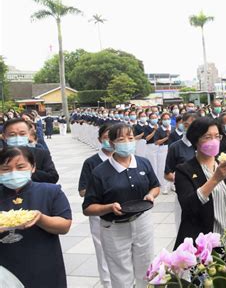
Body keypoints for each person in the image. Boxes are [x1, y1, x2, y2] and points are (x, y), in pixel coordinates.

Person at [83, 123, 160, 288]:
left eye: (130, 138)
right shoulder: (100, 172)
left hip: (142, 222)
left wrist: (151, 195)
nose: (127, 142)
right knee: (120, 275)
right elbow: (88, 208)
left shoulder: (143, 163)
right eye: (120, 139)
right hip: (114, 228)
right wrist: (108, 207)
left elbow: (155, 185)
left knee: (146, 269)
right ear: (111, 144)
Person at [174, 117, 226, 248]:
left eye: (217, 136)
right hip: (205, 243)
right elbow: (189, 206)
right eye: (207, 137)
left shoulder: (225, 163)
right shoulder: (184, 170)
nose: (214, 141)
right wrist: (215, 179)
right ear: (195, 140)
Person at [0, 146, 72, 287]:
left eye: (20, 167)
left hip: (43, 263)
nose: (14, 173)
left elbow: (64, 226)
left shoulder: (51, 191)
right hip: (5, 266)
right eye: (6, 169)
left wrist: (40, 219)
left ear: (33, 167)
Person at [78, 123, 113, 288]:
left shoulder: (130, 160)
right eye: (107, 137)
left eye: (115, 137)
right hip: (100, 214)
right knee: (104, 252)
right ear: (100, 139)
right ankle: (108, 284)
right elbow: (82, 191)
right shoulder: (91, 162)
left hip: (125, 214)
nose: (111, 141)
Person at [3, 118, 58, 183]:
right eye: (12, 135)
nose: (17, 137)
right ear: (4, 136)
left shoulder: (41, 154)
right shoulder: (1, 156)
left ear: (29, 135)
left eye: (22, 134)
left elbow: (53, 177)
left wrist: (26, 170)